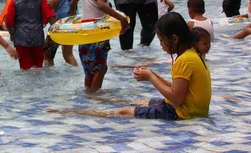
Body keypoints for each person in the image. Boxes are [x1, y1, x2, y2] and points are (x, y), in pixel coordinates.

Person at [49, 12, 212, 120]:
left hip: (181, 113)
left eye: (162, 40)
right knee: (141, 101)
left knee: (123, 111)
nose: (161, 45)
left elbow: (176, 99)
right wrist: (153, 74)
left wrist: (150, 78)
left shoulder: (183, 61)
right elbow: (180, 90)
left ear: (174, 39)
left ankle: (75, 112)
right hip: (192, 110)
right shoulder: (193, 54)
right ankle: (96, 98)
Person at [69, 0, 129, 92]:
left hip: (84, 34)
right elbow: (102, 5)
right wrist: (121, 18)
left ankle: (87, 94)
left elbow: (72, 4)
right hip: (98, 34)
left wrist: (72, 21)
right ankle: (95, 100)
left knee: (89, 70)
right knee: (101, 69)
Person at [5, 0, 56, 70]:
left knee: (26, 69)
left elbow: (8, 21)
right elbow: (50, 17)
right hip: (37, 38)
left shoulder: (15, 0)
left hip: (21, 39)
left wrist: (12, 34)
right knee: (38, 68)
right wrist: (58, 30)